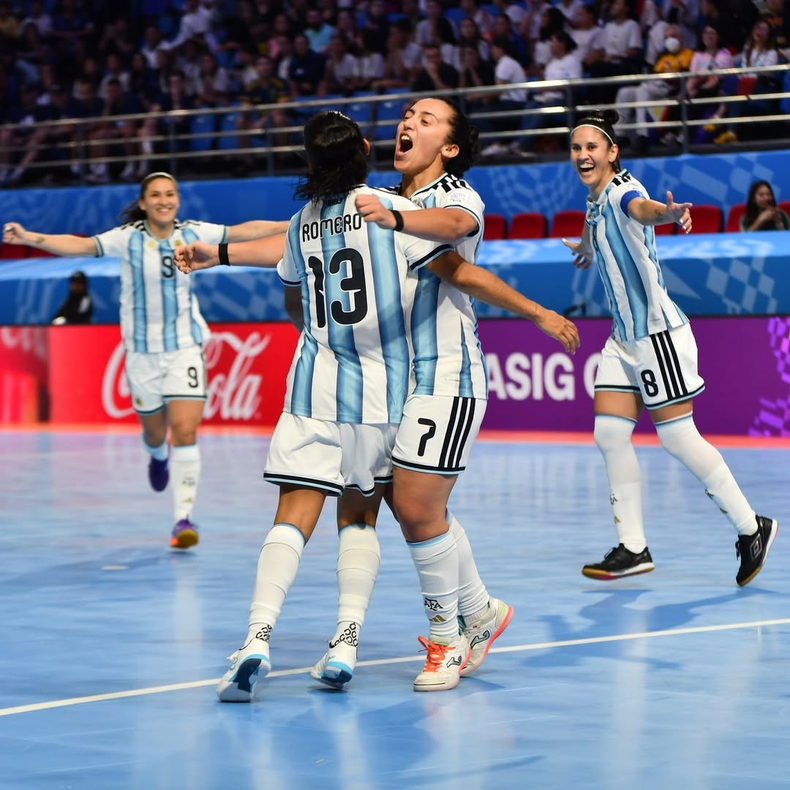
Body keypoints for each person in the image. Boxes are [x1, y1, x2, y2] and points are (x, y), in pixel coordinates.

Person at [174, 109, 579, 699]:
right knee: (416, 510)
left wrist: (539, 312)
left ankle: (448, 635)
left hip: (447, 377)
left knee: (414, 508)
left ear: (451, 147)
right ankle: (480, 611)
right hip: (398, 383)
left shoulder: (449, 198)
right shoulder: (377, 202)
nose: (409, 121)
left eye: (427, 119)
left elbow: (457, 252)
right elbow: (295, 226)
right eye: (408, 114)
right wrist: (223, 244)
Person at [2, 172, 288, 549]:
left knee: (185, 432)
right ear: (143, 202)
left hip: (185, 347)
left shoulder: (193, 232)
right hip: (140, 354)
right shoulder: (128, 238)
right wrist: (30, 238)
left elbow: (244, 230)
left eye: (170, 194)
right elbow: (79, 246)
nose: (164, 200)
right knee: (156, 434)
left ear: (177, 200)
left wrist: (295, 222)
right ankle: (156, 456)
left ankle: (183, 519)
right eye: (155, 195)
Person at [561, 110, 778, 587]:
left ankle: (752, 526)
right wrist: (584, 249)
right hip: (622, 339)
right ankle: (634, 547)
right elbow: (595, 227)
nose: (582, 155)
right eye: (576, 148)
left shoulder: (622, 192)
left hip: (657, 336)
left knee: (678, 437)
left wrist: (671, 212)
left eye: (591, 147)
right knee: (610, 435)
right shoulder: (595, 200)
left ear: (612, 152)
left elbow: (643, 209)